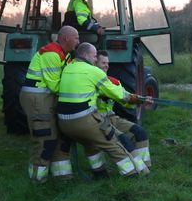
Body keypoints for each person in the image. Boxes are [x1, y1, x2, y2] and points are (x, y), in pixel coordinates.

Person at [56, 42, 149, 178]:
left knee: (90, 143)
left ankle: (100, 175)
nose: (95, 60)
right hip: (85, 121)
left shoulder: (67, 68)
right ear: (86, 55)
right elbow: (118, 94)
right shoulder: (94, 71)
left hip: (64, 123)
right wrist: (136, 98)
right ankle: (133, 175)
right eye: (94, 57)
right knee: (115, 142)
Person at [20, 25, 80, 183]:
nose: (78, 41)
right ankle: (37, 179)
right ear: (66, 38)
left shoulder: (65, 55)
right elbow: (55, 86)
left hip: (47, 97)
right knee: (45, 138)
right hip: (38, 99)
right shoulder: (51, 54)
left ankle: (63, 176)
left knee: (60, 136)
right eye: (76, 38)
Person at [93, 50, 152, 168]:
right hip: (97, 121)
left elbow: (126, 101)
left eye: (108, 63)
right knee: (124, 140)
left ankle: (146, 166)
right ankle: (138, 169)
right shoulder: (89, 82)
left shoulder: (113, 82)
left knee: (139, 132)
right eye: (103, 63)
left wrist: (141, 100)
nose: (107, 66)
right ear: (94, 64)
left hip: (112, 119)